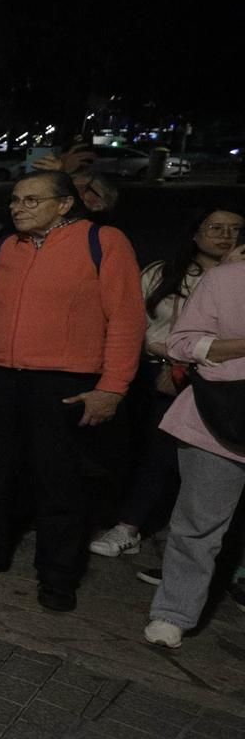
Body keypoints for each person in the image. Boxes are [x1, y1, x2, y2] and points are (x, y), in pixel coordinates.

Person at [0, 171, 146, 612]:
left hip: (62, 380)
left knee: (59, 482)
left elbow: (127, 320)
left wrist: (112, 387)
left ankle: (57, 574)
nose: (18, 208)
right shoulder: (5, 247)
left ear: (65, 204)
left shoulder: (103, 242)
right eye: (15, 200)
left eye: (32, 201)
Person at [91, 205, 245, 559]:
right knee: (154, 450)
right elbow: (133, 319)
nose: (225, 235)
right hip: (159, 371)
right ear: (195, 233)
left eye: (235, 229)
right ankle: (131, 524)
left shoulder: (235, 280)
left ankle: (157, 529)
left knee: (196, 457)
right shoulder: (164, 274)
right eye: (216, 227)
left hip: (216, 378)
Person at [143, 253, 245, 648]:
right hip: (221, 417)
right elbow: (181, 342)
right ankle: (173, 613)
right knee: (199, 526)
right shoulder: (226, 279)